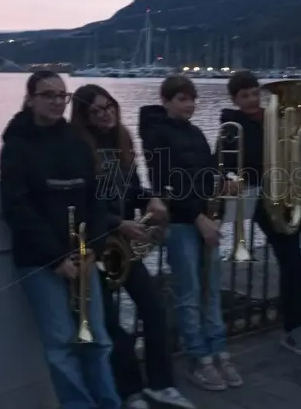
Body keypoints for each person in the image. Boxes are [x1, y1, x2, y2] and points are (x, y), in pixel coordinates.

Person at [0, 71, 120, 409]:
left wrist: (93, 247)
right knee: (61, 344)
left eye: (61, 96)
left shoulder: (76, 141)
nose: (56, 101)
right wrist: (55, 258)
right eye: (48, 95)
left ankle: (109, 403)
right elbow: (17, 208)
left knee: (98, 339)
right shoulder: (15, 145)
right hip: (40, 261)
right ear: (30, 99)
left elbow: (96, 198)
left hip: (82, 256)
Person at [70, 84, 195, 409]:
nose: (105, 113)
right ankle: (130, 392)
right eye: (96, 110)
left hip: (121, 243)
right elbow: (83, 203)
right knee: (111, 323)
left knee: (154, 310)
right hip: (96, 244)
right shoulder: (78, 149)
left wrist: (150, 198)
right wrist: (117, 223)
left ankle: (161, 384)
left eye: (108, 105)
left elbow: (133, 189)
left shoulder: (122, 139)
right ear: (84, 117)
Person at [138, 75, 243, 392]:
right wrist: (198, 217)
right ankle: (199, 357)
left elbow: (207, 171)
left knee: (210, 289)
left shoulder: (195, 132)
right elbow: (165, 185)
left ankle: (218, 350)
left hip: (205, 218)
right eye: (182, 99)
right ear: (167, 101)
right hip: (183, 223)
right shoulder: (155, 135)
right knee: (189, 292)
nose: (190, 105)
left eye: (192, 99)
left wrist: (223, 180)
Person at [219, 71, 301, 356]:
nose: (252, 99)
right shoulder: (232, 126)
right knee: (291, 261)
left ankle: (300, 322)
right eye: (245, 96)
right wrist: (230, 178)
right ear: (235, 99)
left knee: (300, 261)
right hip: (262, 199)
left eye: (255, 93)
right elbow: (218, 163)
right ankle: (293, 328)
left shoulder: (279, 116)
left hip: (289, 191)